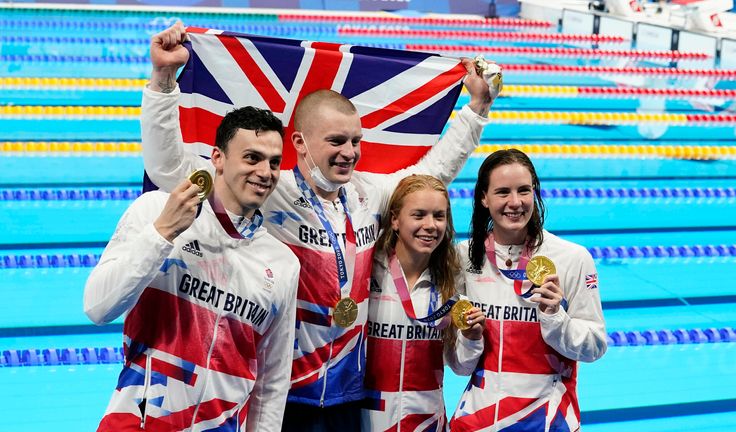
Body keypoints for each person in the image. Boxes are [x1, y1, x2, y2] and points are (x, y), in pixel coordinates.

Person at [141, 22, 497, 431]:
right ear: (300, 144)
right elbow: (170, 170)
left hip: (348, 394)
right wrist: (164, 81)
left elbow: (432, 174)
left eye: (355, 141)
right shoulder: (270, 188)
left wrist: (476, 109)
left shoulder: (367, 195)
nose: (350, 153)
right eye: (336, 141)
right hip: (281, 393)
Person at [83, 102, 300, 430]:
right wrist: (163, 233)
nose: (265, 172)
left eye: (274, 163)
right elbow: (98, 307)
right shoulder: (156, 210)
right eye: (252, 158)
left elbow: (271, 384)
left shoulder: (283, 263)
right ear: (218, 159)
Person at [449, 149, 608, 432]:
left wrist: (555, 317)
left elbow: (595, 346)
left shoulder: (572, 258)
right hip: (479, 421)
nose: (515, 202)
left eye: (524, 190)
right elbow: (460, 367)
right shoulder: (465, 258)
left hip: (547, 420)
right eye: (502, 192)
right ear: (483, 198)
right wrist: (470, 337)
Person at [364, 174, 486, 431]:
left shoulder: (451, 278)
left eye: (439, 216)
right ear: (395, 220)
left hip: (426, 422)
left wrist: (472, 337)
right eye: (419, 215)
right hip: (366, 418)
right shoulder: (367, 269)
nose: (431, 225)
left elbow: (461, 367)